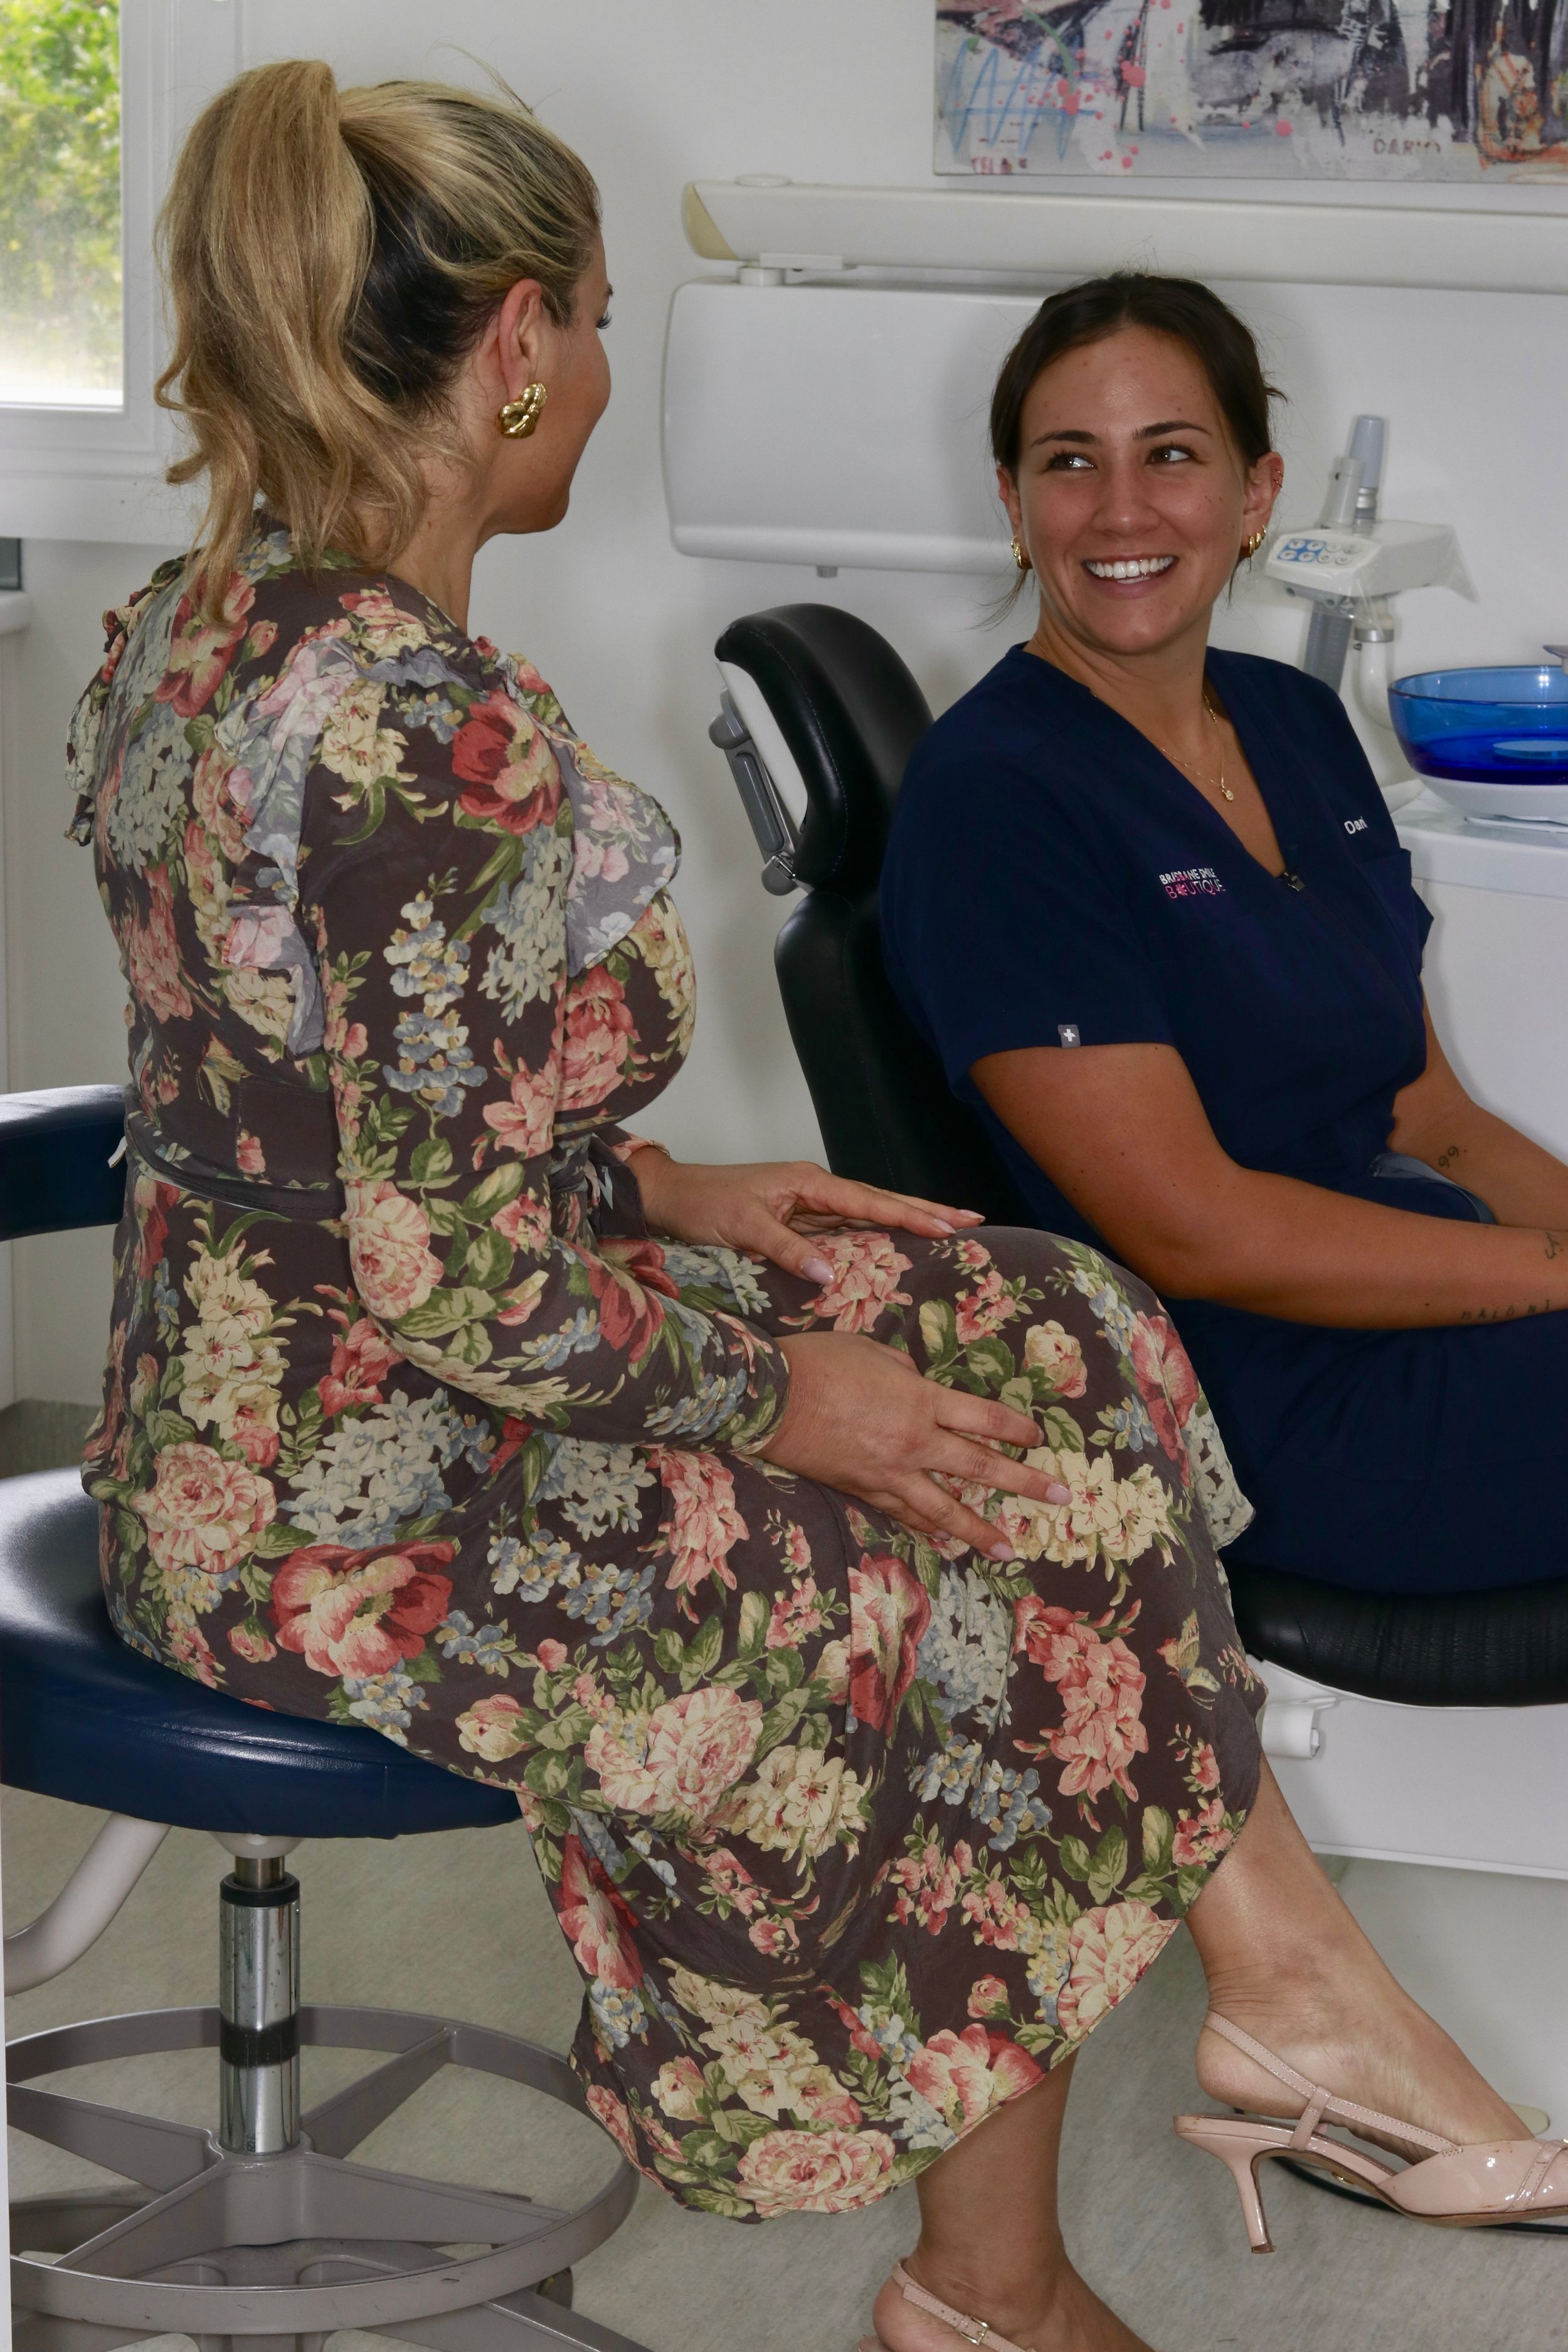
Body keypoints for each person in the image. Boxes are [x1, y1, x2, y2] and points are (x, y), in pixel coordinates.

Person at [68, 72, 1559, 2352]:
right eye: (593, 315)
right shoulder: (409, 725)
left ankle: (1276, 1982)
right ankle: (1008, 2288)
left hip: (306, 1378)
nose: (590, 361)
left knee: (1046, 1319)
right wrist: (784, 1403)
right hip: (338, 1505)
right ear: (518, 350)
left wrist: (654, 1181)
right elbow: (436, 1266)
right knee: (963, 1588)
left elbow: (316, 1102)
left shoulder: (210, 625)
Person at [882, 270, 1568, 1602]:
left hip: (1409, 1309)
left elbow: (1428, 1118)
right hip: (1245, 1409)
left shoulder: (1292, 725)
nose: (1121, 511)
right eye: (1069, 462)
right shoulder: (997, 800)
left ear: (1252, 497)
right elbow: (1193, 1233)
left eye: (1172, 456)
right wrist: (1547, 1273)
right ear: (1014, 505)